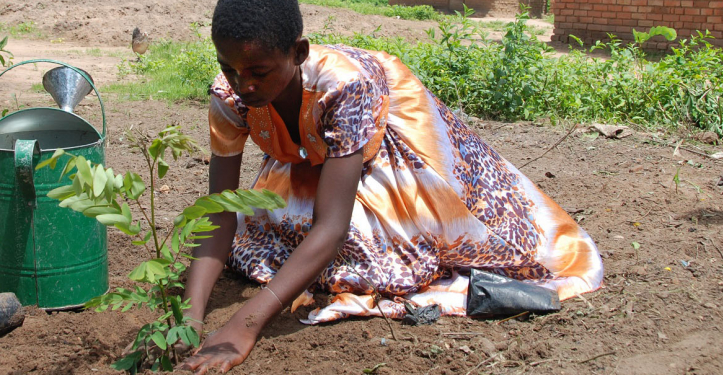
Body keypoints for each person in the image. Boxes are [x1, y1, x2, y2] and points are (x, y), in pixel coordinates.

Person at [180, 0, 603, 372]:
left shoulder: (344, 87)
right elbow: (220, 211)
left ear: (298, 53)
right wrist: (191, 315)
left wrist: (245, 323)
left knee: (370, 257)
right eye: (229, 68)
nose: (243, 84)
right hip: (314, 148)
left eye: (258, 71)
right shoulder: (231, 98)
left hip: (390, 138)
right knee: (260, 237)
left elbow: (332, 227)